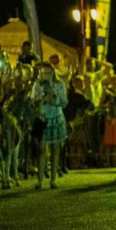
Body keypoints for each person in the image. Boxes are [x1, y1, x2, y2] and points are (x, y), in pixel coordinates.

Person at [29, 62, 68, 190]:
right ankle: (39, 180)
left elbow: (64, 102)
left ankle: (53, 179)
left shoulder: (59, 84)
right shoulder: (37, 84)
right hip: (43, 118)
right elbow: (33, 100)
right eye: (43, 73)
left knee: (55, 149)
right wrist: (41, 98)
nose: (46, 75)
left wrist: (53, 96)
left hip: (56, 118)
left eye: (48, 73)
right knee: (41, 149)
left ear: (53, 73)